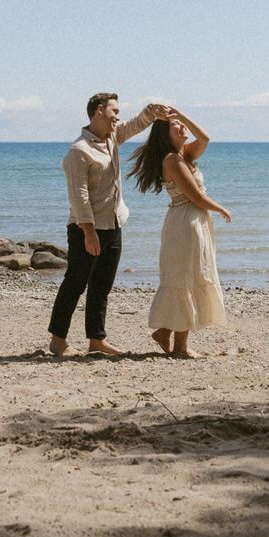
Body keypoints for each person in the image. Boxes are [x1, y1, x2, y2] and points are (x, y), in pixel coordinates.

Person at [48, 92, 168, 357]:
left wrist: (151, 111)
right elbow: (78, 197)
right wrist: (89, 233)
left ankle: (97, 340)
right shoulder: (79, 151)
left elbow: (135, 124)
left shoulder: (111, 137)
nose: (118, 117)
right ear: (99, 111)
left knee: (101, 286)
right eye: (115, 111)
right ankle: (58, 341)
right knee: (75, 284)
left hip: (114, 223)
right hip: (86, 229)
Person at [129, 107, 231, 358]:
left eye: (182, 125)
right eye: (177, 126)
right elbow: (195, 197)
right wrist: (221, 209)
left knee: (191, 276)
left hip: (192, 220)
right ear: (166, 134)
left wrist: (182, 116)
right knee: (185, 279)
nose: (183, 128)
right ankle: (181, 347)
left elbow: (205, 139)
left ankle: (165, 333)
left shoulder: (184, 153)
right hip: (185, 221)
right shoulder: (172, 160)